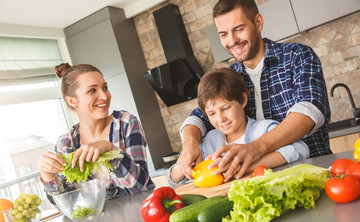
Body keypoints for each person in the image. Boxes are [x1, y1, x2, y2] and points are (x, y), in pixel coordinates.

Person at [177, 0, 331, 182]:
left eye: (239, 29)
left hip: (311, 172)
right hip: (257, 184)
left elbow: (309, 112)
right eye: (224, 34)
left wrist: (255, 148)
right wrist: (189, 143)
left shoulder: (297, 56)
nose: (232, 41)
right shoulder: (230, 75)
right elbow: (198, 116)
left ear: (258, 22)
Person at [168, 68, 309, 185]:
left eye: (226, 108)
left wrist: (245, 167)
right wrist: (183, 165)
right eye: (211, 113)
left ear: (242, 100)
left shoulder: (263, 130)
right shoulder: (209, 141)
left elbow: (300, 150)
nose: (220, 119)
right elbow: (173, 180)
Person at [38, 63, 155, 199]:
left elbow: (141, 186)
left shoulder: (125, 123)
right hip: (99, 220)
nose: (105, 96)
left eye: (105, 87)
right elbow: (69, 201)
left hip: (141, 214)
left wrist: (110, 150)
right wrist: (47, 175)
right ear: (72, 101)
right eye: (92, 90)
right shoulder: (65, 144)